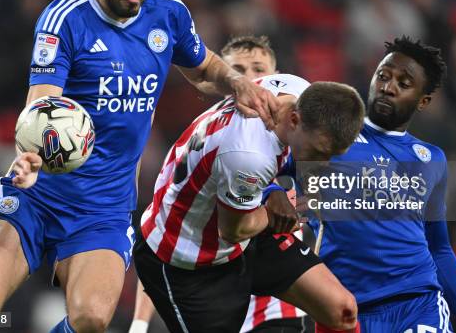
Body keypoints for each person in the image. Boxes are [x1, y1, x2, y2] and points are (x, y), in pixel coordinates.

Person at [0, 0, 278, 333]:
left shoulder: (168, 14)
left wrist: (234, 82)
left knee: (90, 322)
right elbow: (42, 103)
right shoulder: (64, 19)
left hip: (103, 210)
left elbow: (203, 66)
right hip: (38, 196)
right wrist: (31, 155)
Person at [135, 74, 365, 333]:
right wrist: (293, 202)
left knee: (342, 311)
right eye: (319, 152)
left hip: (241, 227)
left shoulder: (295, 90)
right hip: (188, 258)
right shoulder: (249, 154)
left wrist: (273, 188)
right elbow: (235, 230)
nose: (323, 164)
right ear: (294, 120)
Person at [299, 36, 456, 332]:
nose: (388, 87)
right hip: (348, 310)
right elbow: (272, 171)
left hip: (417, 304)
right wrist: (274, 192)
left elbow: (438, 248)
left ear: (423, 101)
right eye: (383, 76)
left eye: (404, 83)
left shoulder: (430, 159)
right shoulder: (332, 137)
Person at [130, 36, 310, 333]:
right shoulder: (207, 144)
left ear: (276, 79)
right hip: (211, 288)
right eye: (237, 71)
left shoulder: (295, 138)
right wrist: (139, 321)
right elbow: (163, 233)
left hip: (271, 303)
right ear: (222, 81)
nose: (250, 80)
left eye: (258, 70)